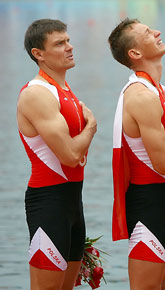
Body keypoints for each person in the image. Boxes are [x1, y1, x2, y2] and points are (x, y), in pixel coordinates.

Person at [108, 18, 165, 290]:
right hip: (147, 205)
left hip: (164, 204)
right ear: (134, 53)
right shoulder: (141, 95)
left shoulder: (156, 91)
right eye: (148, 33)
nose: (158, 31)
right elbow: (162, 162)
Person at [17, 19, 97, 289]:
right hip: (48, 204)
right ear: (38, 54)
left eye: (68, 40)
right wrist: (92, 128)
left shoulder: (64, 91)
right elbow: (70, 156)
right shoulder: (37, 94)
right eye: (59, 43)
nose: (69, 47)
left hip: (74, 204)